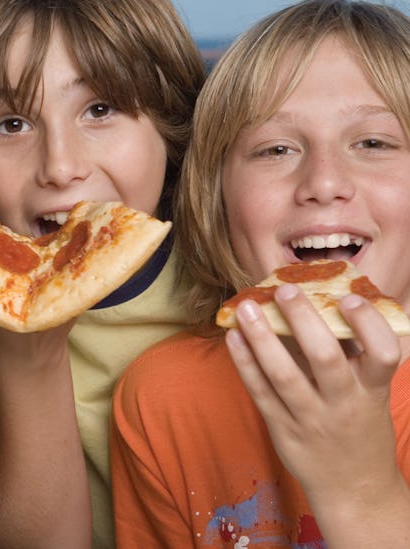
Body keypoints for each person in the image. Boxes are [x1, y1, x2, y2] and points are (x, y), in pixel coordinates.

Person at [111, 1, 410, 546]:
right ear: (213, 196)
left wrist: (359, 493)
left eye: (373, 142)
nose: (323, 181)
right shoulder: (162, 400)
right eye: (275, 148)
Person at [0, 1, 205, 546]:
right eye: (13, 124)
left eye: (100, 110)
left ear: (171, 121)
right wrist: (28, 348)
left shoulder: (234, 265)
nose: (60, 165)